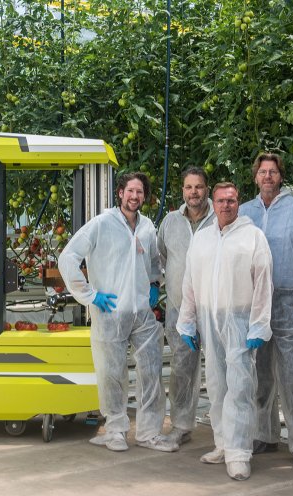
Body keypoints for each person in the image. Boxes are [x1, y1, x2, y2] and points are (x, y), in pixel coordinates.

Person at [58, 172, 178, 453]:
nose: (135, 197)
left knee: (151, 373)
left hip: (142, 313)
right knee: (111, 374)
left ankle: (149, 433)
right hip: (110, 312)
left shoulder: (148, 226)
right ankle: (115, 430)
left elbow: (152, 263)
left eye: (140, 193)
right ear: (120, 193)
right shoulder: (101, 224)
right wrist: (89, 295)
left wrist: (152, 284)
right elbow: (68, 257)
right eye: (130, 191)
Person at [177, 182, 274, 481]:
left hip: (240, 321)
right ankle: (223, 444)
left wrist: (259, 323)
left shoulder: (253, 236)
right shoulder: (203, 238)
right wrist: (186, 320)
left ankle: (240, 453)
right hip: (209, 320)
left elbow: (263, 283)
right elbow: (190, 282)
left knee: (241, 386)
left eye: (231, 201)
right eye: (220, 201)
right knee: (217, 384)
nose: (225, 206)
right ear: (213, 202)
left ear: (238, 203)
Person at [239, 153, 293, 471]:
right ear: (255, 177)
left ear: (280, 176)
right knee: (259, 373)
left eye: (273, 171)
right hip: (256, 302)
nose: (268, 176)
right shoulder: (244, 212)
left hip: (289, 300)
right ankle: (265, 434)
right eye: (263, 172)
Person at [157, 167, 215, 446]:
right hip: (180, 310)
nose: (194, 192)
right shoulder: (170, 222)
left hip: (216, 309)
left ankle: (230, 431)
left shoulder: (222, 217)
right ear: (182, 191)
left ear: (207, 189)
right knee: (182, 369)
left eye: (199, 187)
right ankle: (181, 426)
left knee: (224, 368)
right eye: (189, 187)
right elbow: (162, 256)